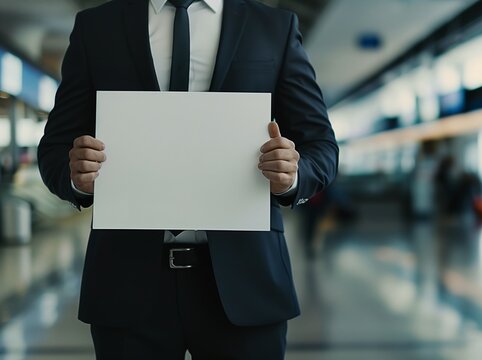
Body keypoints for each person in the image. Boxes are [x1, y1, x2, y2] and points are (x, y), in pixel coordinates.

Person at [37, 0, 338, 358]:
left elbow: (321, 146)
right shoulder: (97, 27)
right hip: (127, 283)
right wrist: (76, 178)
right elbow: (55, 147)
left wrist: (292, 175)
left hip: (246, 282)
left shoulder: (274, 27)